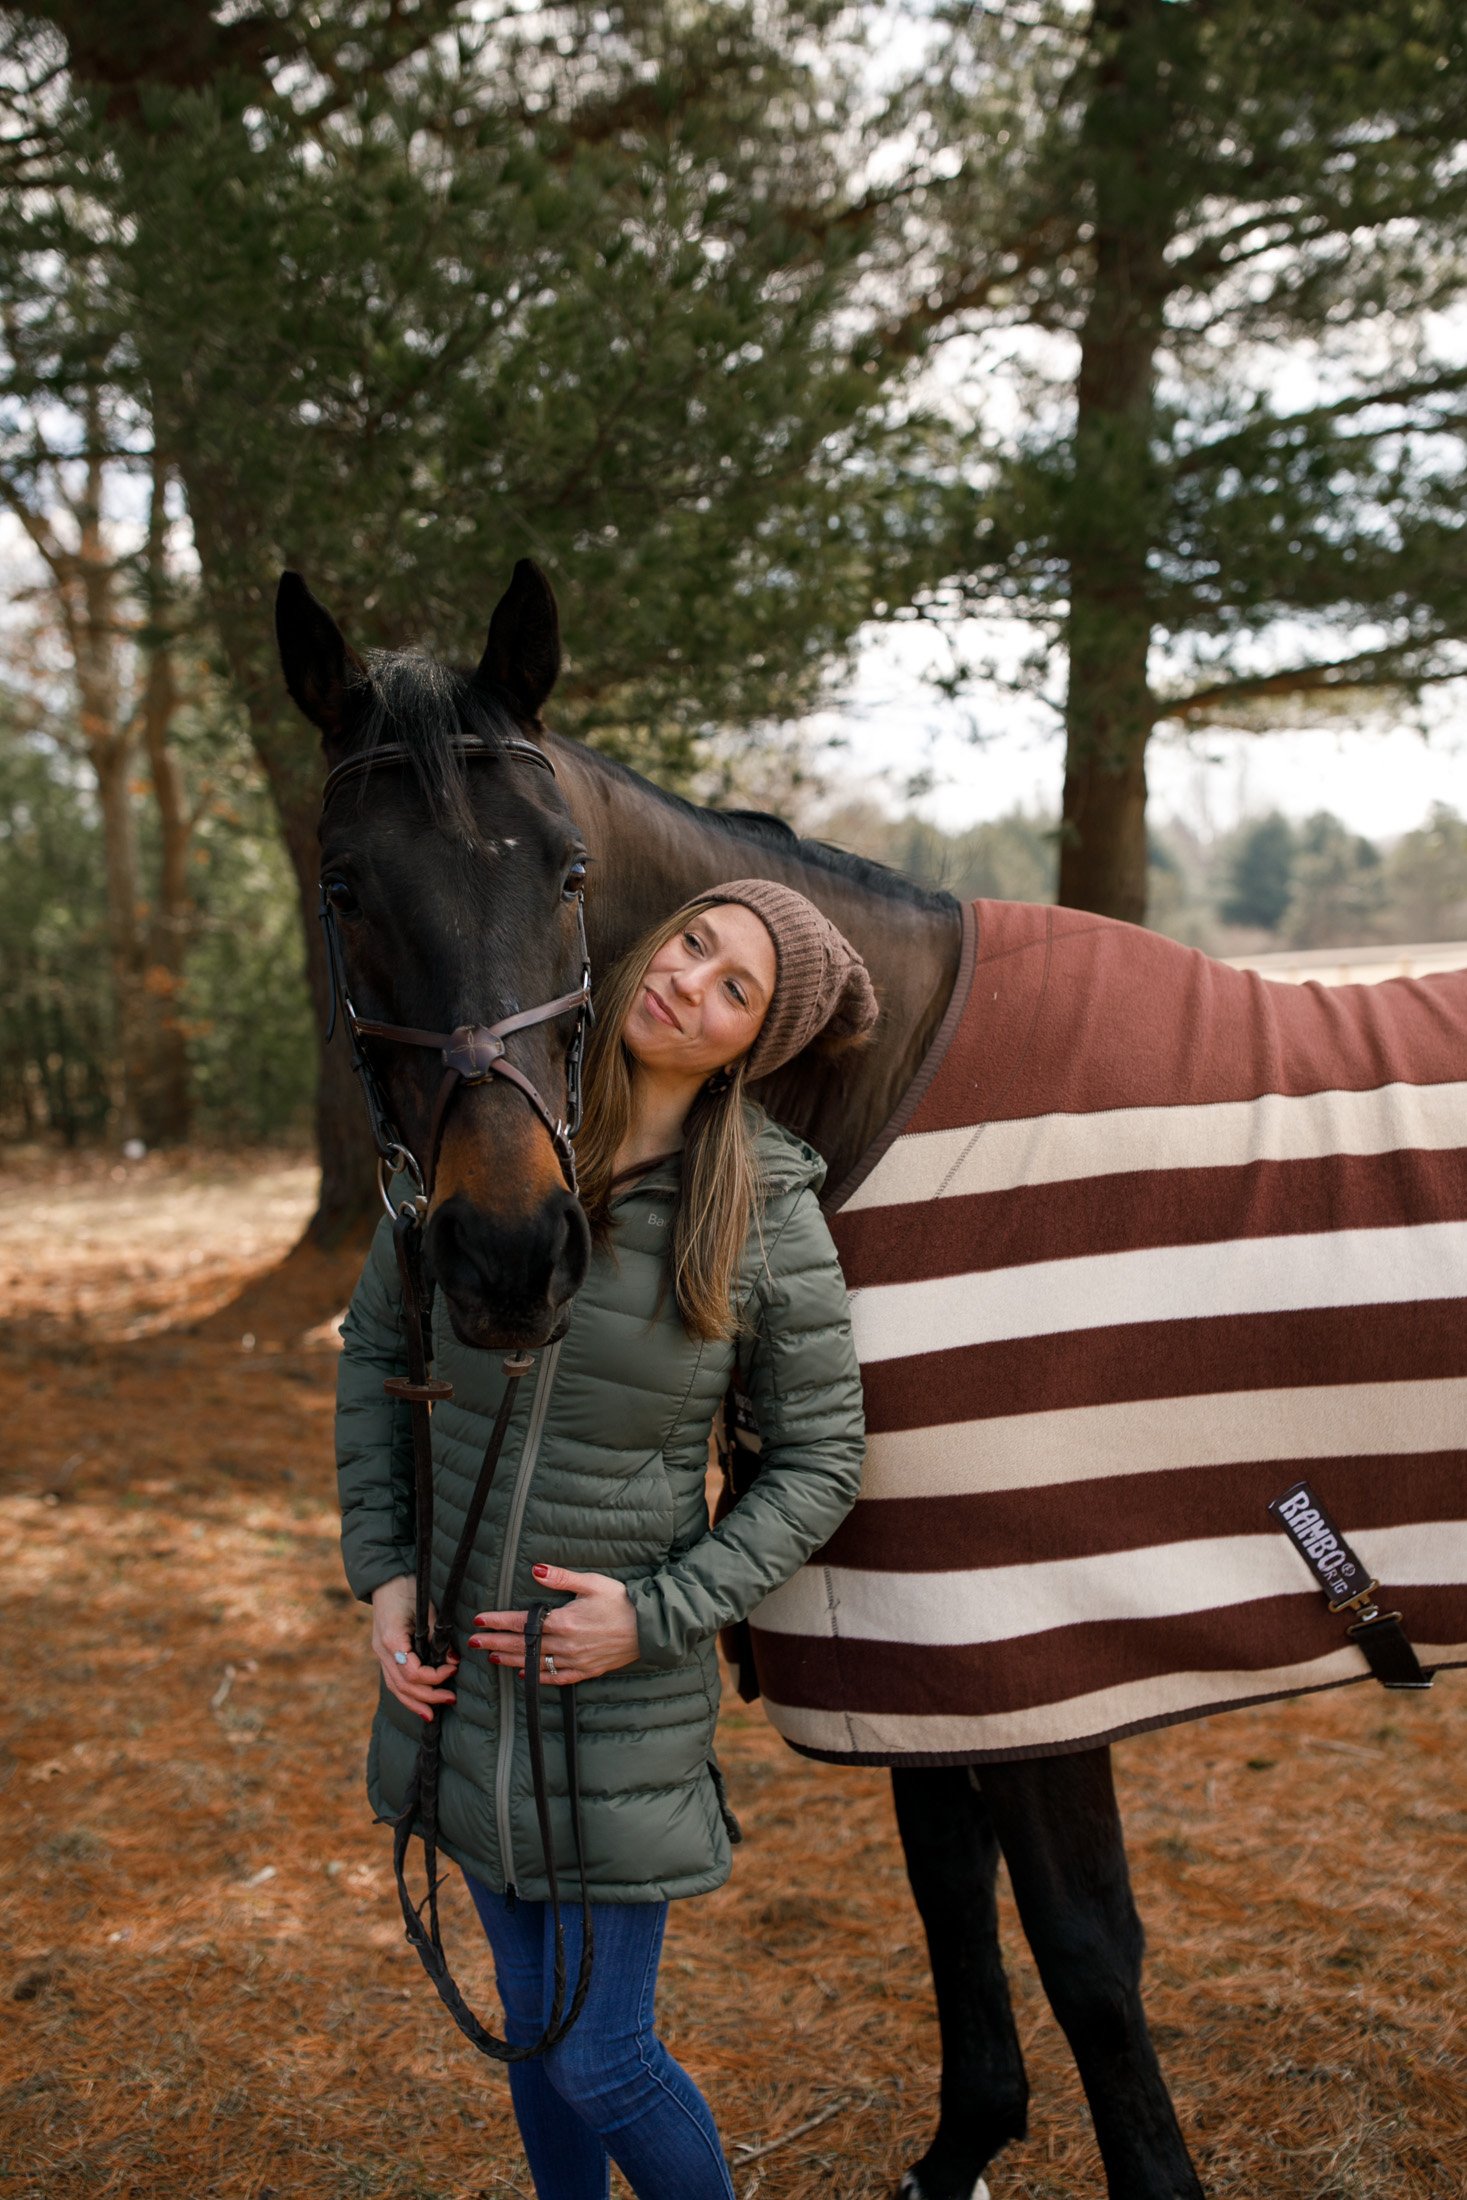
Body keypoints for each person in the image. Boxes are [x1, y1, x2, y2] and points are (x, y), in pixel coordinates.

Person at [335, 878, 875, 2200]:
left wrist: (658, 1611)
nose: (691, 982)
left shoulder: (761, 1214)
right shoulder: (479, 1130)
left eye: (734, 988)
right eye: (694, 941)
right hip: (457, 1685)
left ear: (753, 1045)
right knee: (534, 2042)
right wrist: (386, 1575)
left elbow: (823, 1458)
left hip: (610, 1715)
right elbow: (376, 1357)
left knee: (602, 2059)